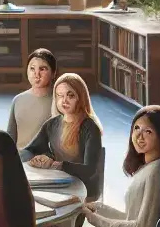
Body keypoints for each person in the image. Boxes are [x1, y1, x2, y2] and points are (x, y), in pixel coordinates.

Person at [25, 73, 106, 202]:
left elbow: (89, 170)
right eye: (59, 95)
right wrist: (41, 158)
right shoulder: (51, 124)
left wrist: (55, 164)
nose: (64, 101)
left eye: (71, 95)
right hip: (58, 183)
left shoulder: (90, 128)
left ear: (81, 98)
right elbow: (30, 150)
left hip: (83, 190)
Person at [6, 49, 59, 161]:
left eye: (42, 69)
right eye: (32, 69)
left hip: (47, 163)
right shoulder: (18, 100)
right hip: (20, 162)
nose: (36, 74)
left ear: (53, 73)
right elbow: (10, 138)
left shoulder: (59, 102)